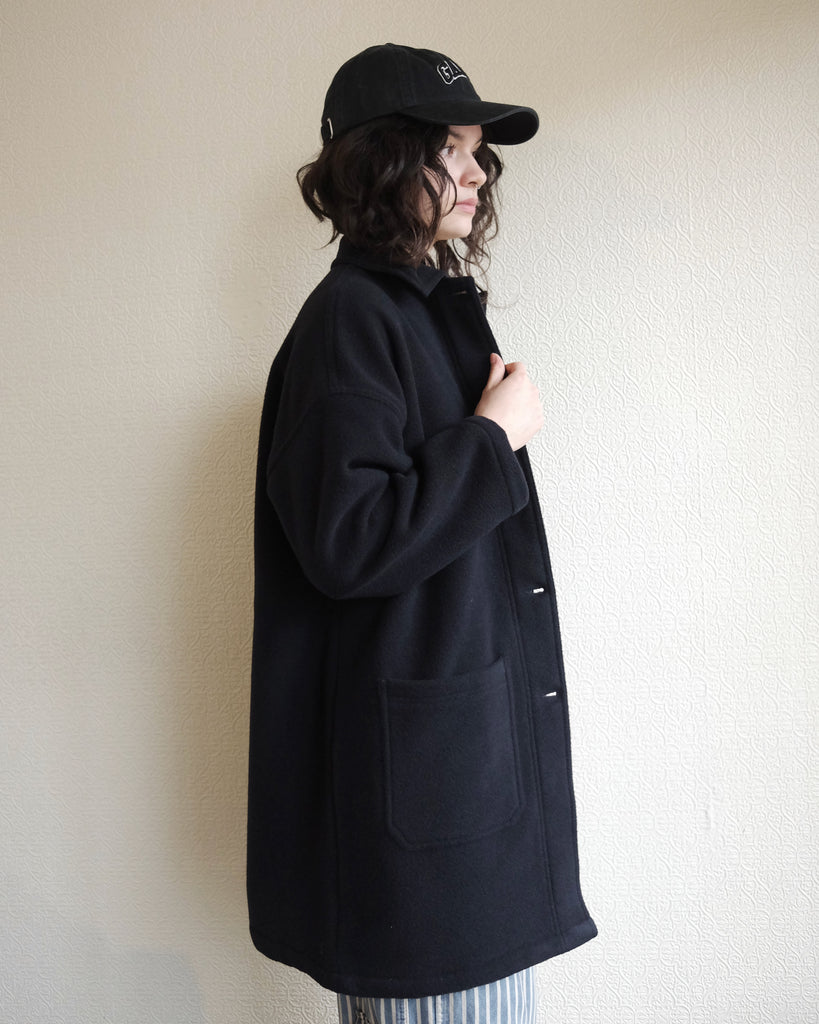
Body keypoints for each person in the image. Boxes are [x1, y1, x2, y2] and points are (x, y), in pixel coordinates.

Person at [247, 43, 597, 1024]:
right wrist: (492, 437)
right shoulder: (351, 321)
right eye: (453, 149)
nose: (477, 174)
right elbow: (350, 541)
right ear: (381, 161)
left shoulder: (415, 313)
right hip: (427, 813)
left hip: (448, 789)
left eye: (480, 152)